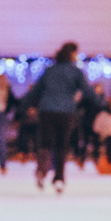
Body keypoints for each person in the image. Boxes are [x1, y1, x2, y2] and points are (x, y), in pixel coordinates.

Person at [27, 42, 92, 193]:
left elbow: (36, 90)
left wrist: (23, 105)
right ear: (72, 54)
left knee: (46, 143)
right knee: (62, 145)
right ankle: (59, 178)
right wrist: (103, 105)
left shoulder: (50, 70)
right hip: (66, 113)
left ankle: (42, 172)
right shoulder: (75, 72)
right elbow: (87, 91)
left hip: (47, 111)